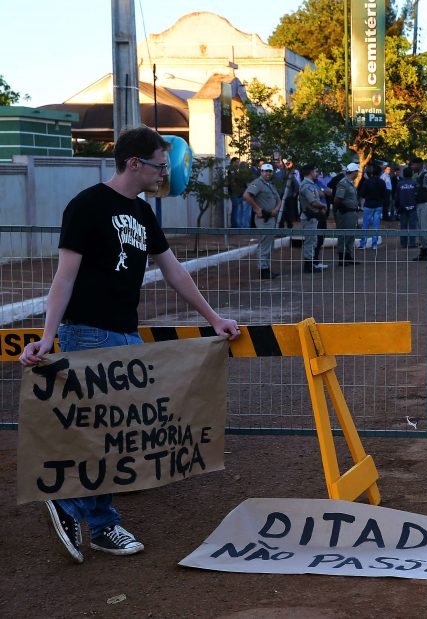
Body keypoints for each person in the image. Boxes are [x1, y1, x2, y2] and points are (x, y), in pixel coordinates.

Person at [18, 126, 240, 564]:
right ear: (134, 163)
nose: (164, 174)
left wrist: (213, 318)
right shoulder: (86, 206)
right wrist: (48, 335)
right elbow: (65, 276)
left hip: (126, 333)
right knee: (104, 432)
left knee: (121, 433)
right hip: (88, 332)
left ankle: (91, 518)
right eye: (159, 165)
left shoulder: (142, 213)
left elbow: (173, 270)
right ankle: (85, 514)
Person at [243, 163, 281, 279]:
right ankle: (263, 269)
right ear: (261, 172)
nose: (268, 173)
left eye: (270, 171)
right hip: (263, 218)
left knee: (269, 244)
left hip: (271, 217)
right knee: (264, 244)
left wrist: (275, 209)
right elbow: (246, 195)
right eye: (265, 171)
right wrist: (257, 208)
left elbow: (278, 199)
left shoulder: (269, 184)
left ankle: (266, 268)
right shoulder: (258, 183)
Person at [298, 164, 329, 273]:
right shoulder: (306, 185)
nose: (317, 173)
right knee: (310, 241)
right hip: (310, 216)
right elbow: (313, 202)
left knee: (313, 240)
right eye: (315, 171)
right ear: (311, 172)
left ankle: (311, 263)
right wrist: (323, 206)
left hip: (314, 217)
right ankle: (308, 265)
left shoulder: (310, 184)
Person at [333, 163, 361, 264]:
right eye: (357, 171)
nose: (358, 173)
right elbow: (337, 199)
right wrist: (341, 208)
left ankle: (348, 256)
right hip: (345, 213)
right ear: (353, 172)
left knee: (351, 235)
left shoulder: (350, 183)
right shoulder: (343, 183)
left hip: (351, 212)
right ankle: (341, 258)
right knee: (344, 234)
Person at [358, 164, 387, 250]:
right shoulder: (382, 182)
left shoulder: (367, 182)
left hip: (368, 205)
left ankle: (363, 243)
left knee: (365, 225)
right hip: (378, 205)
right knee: (376, 225)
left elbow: (362, 194)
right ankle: (374, 244)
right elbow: (385, 195)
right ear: (379, 173)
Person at [396, 166, 418, 247]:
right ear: (411, 174)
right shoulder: (414, 183)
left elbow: (397, 197)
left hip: (402, 208)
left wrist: (397, 207)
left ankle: (403, 243)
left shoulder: (400, 184)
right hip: (413, 207)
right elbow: (417, 195)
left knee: (403, 226)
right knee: (413, 226)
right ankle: (412, 243)